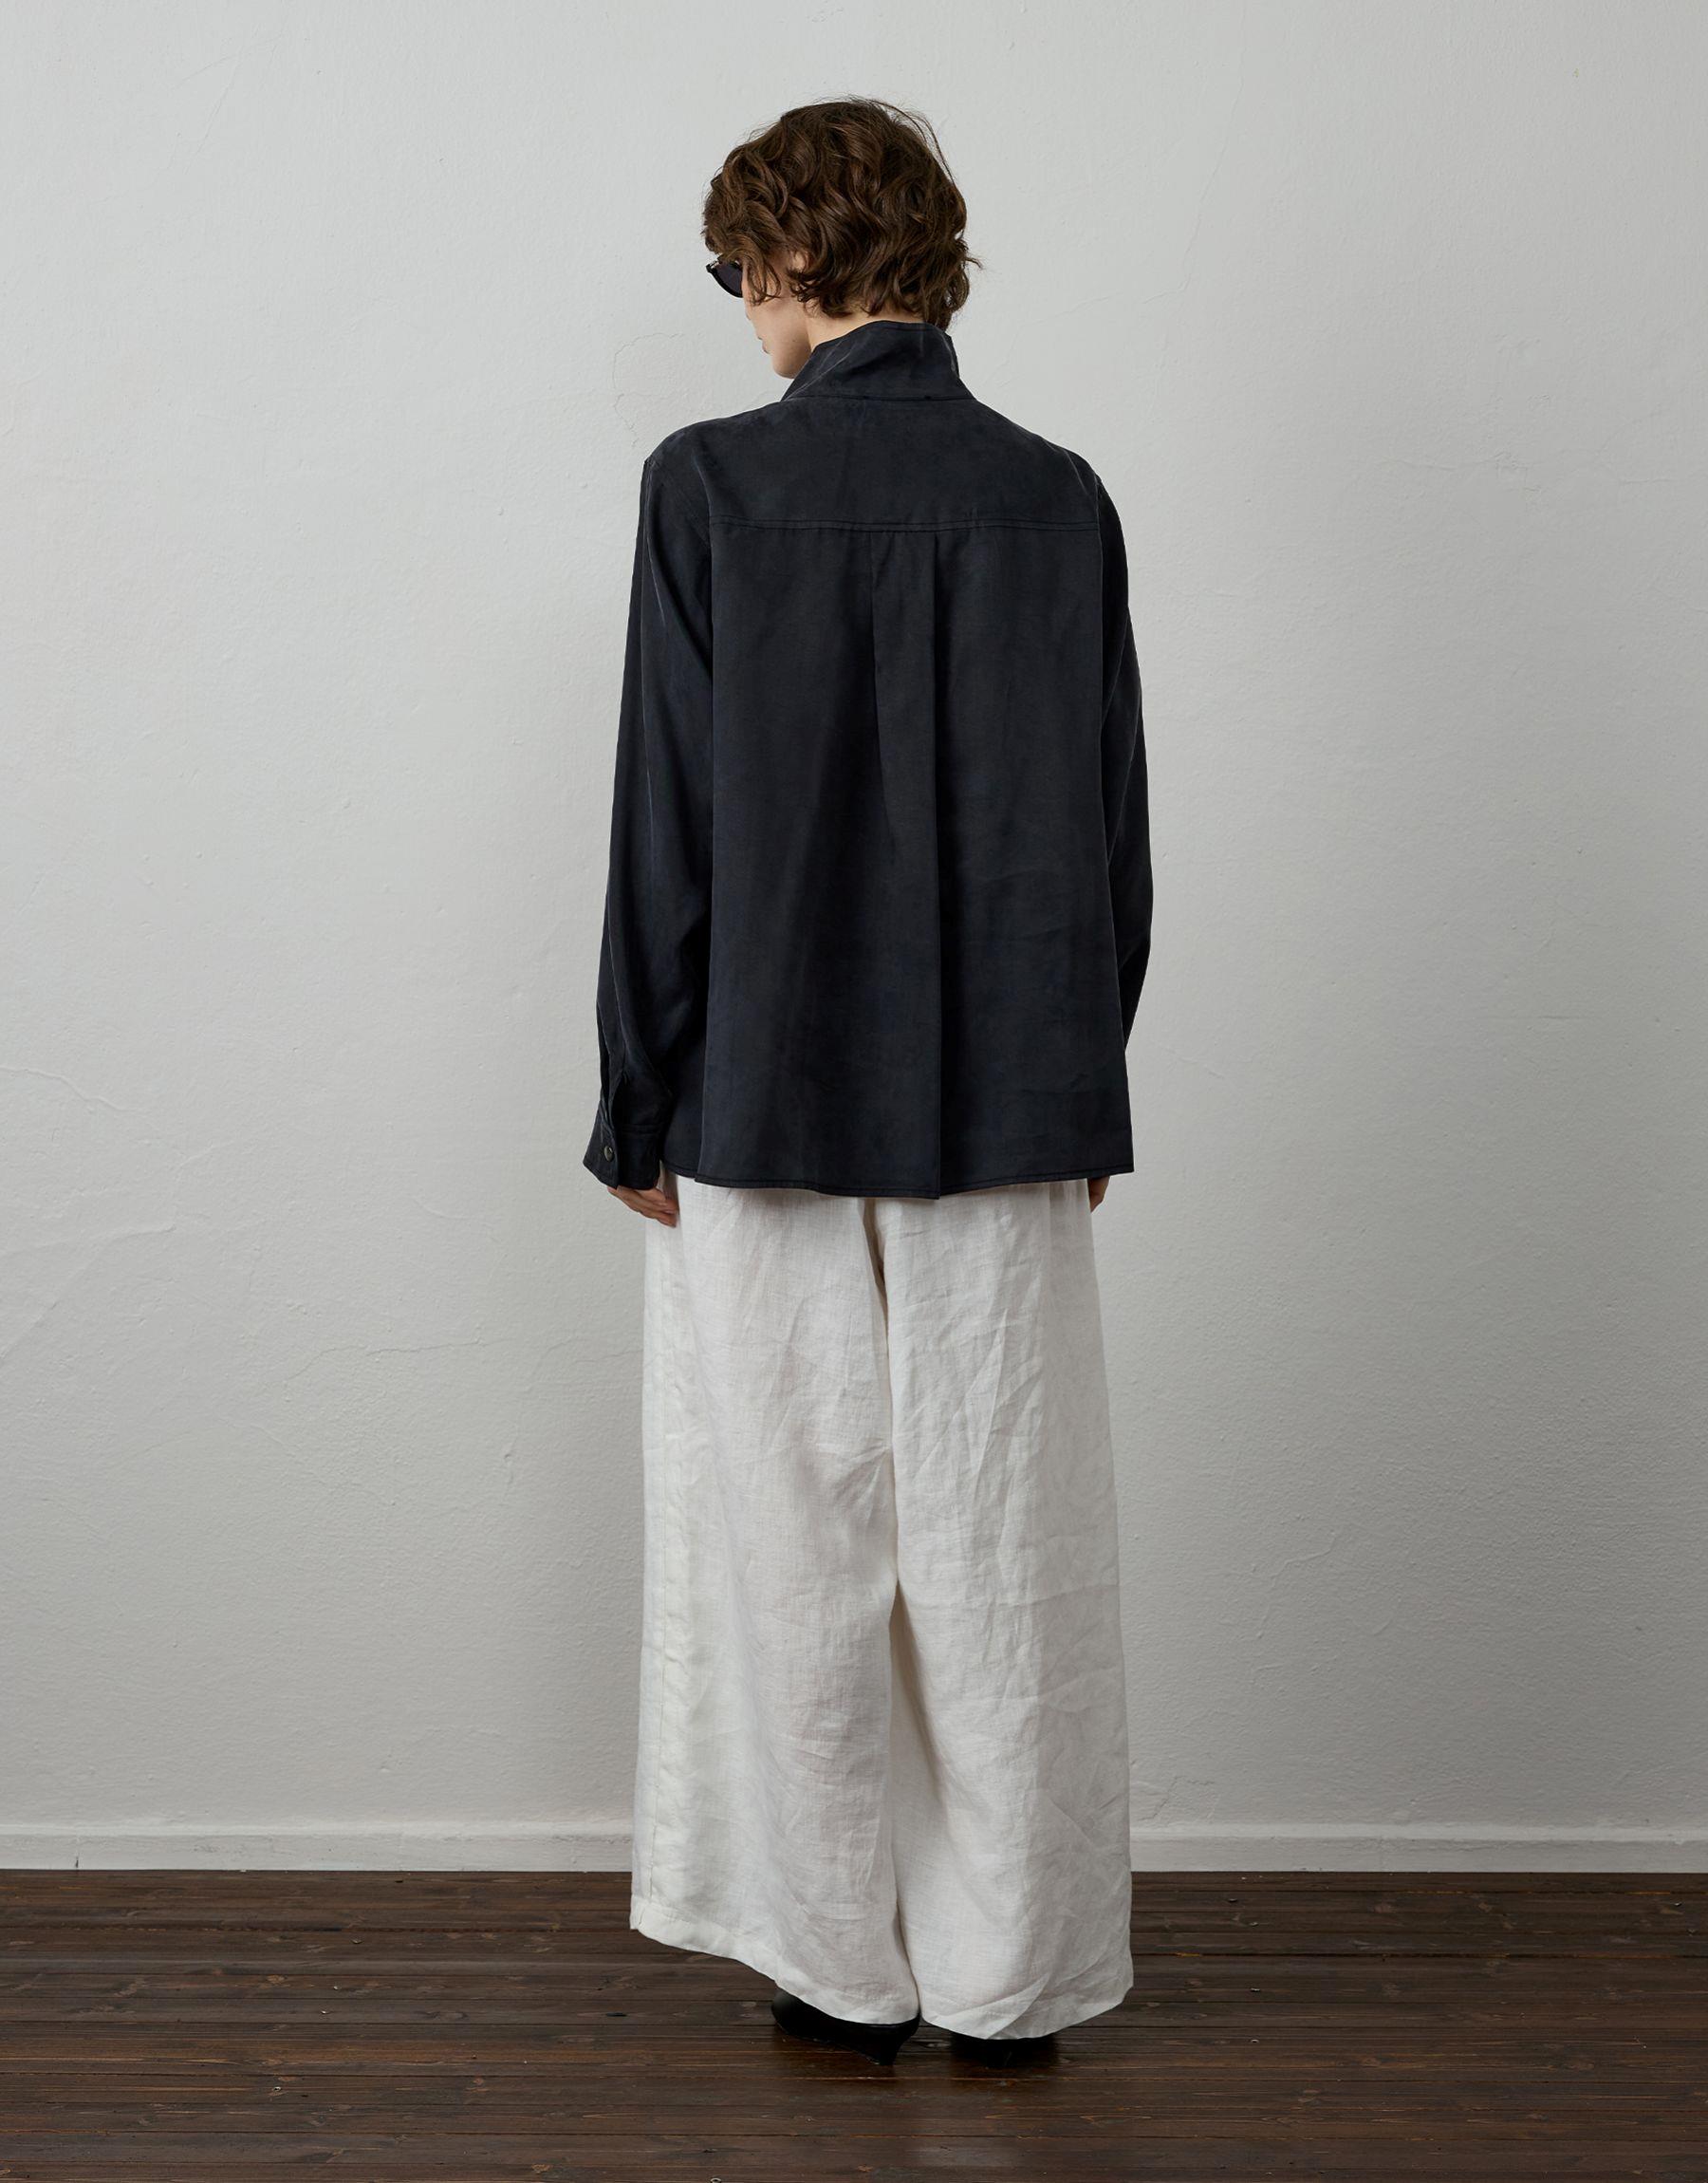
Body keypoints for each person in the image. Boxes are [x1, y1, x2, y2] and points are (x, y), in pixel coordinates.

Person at [585, 97, 1152, 2067]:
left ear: (798, 257)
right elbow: (1111, 824)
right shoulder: (1058, 496)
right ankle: (1012, 1983)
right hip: (1014, 1098)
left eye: (737, 269)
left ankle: (839, 1968)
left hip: (756, 1098)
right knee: (1006, 1541)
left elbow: (668, 820)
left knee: (787, 1540)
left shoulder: (710, 485)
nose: (739, 306)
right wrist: (1084, 1069)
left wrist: (636, 1097)